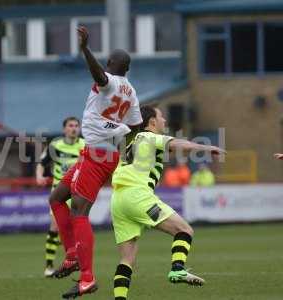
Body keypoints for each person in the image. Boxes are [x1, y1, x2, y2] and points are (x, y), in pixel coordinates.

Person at [49, 26, 142, 298]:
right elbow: (135, 126)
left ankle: (86, 277)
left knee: (79, 210)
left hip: (98, 154)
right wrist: (125, 145)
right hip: (103, 152)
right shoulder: (132, 92)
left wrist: (85, 49)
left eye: (107, 61)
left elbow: (99, 75)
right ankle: (71, 255)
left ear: (113, 65)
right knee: (57, 197)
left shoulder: (109, 81)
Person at [110, 106, 226, 300]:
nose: (164, 121)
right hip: (137, 195)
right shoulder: (149, 136)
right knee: (184, 230)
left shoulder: (132, 143)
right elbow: (178, 143)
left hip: (118, 200)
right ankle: (177, 269)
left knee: (127, 259)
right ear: (152, 122)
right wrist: (206, 147)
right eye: (161, 117)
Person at [36, 117, 85, 277]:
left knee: (74, 229)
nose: (74, 128)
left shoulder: (84, 145)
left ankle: (76, 262)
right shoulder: (56, 146)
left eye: (76, 126)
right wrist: (39, 176)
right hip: (59, 192)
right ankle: (49, 265)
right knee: (55, 227)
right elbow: (41, 163)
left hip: (78, 192)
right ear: (64, 129)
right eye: (70, 126)